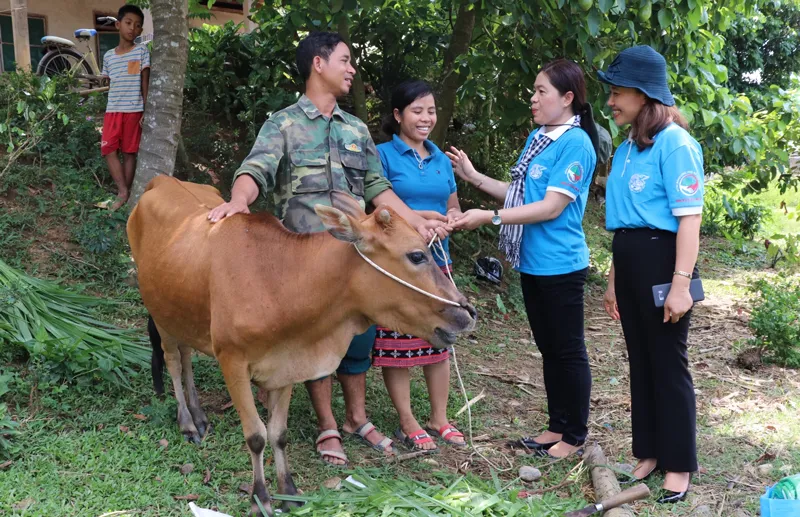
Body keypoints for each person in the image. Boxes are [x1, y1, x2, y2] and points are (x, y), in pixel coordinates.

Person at [207, 32, 449, 467]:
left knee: (357, 337)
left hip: (355, 256)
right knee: (311, 338)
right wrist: (239, 201)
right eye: (345, 59)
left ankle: (356, 415)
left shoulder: (355, 127)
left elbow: (377, 188)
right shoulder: (283, 123)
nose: (351, 67)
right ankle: (327, 423)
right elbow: (255, 170)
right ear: (318, 64)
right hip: (302, 261)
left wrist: (415, 220)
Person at [448, 59, 599, 459]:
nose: (533, 99)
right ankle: (556, 427)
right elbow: (521, 196)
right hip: (532, 262)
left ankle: (574, 435)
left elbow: (550, 207)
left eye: (541, 91)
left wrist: (490, 217)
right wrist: (474, 177)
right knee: (549, 349)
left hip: (562, 264)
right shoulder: (540, 137)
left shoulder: (576, 143)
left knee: (568, 350)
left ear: (567, 98)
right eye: (533, 91)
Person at [598, 45, 703, 503]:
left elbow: (689, 219)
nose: (610, 101)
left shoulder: (676, 144)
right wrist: (613, 280)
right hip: (630, 257)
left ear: (643, 94)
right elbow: (625, 220)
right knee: (639, 360)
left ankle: (678, 463)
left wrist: (681, 284)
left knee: (666, 362)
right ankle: (649, 453)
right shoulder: (626, 148)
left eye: (618, 92)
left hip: (665, 261)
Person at [372, 80, 466, 453]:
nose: (426, 118)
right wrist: (420, 219)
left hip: (438, 261)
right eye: (417, 110)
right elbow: (376, 211)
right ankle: (407, 419)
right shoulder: (381, 155)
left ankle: (439, 417)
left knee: (440, 337)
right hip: (399, 267)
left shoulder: (442, 159)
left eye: (431, 110)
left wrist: (452, 219)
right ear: (397, 115)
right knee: (399, 341)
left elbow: (452, 204)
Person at [100, 4, 150, 210]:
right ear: (118, 24)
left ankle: (124, 193)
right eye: (128, 23)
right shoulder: (108, 56)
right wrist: (104, 81)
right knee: (108, 149)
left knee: (129, 152)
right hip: (112, 110)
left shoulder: (141, 51)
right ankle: (123, 189)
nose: (133, 29)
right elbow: (107, 80)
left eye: (138, 26)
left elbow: (144, 82)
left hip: (134, 110)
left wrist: (146, 110)